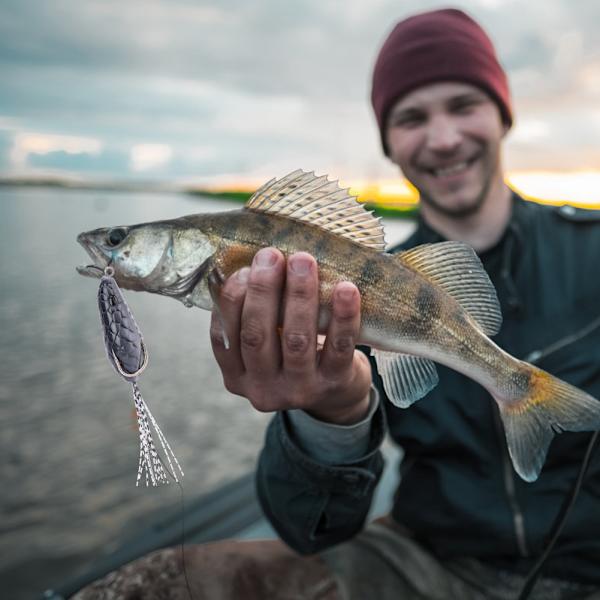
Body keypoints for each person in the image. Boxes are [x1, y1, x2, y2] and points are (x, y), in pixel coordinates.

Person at [74, 8, 600, 600]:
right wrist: (331, 414)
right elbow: (312, 529)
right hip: (427, 559)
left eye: (463, 105)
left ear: (503, 115)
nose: (444, 137)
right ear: (390, 142)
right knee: (154, 586)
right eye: (412, 117)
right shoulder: (366, 282)